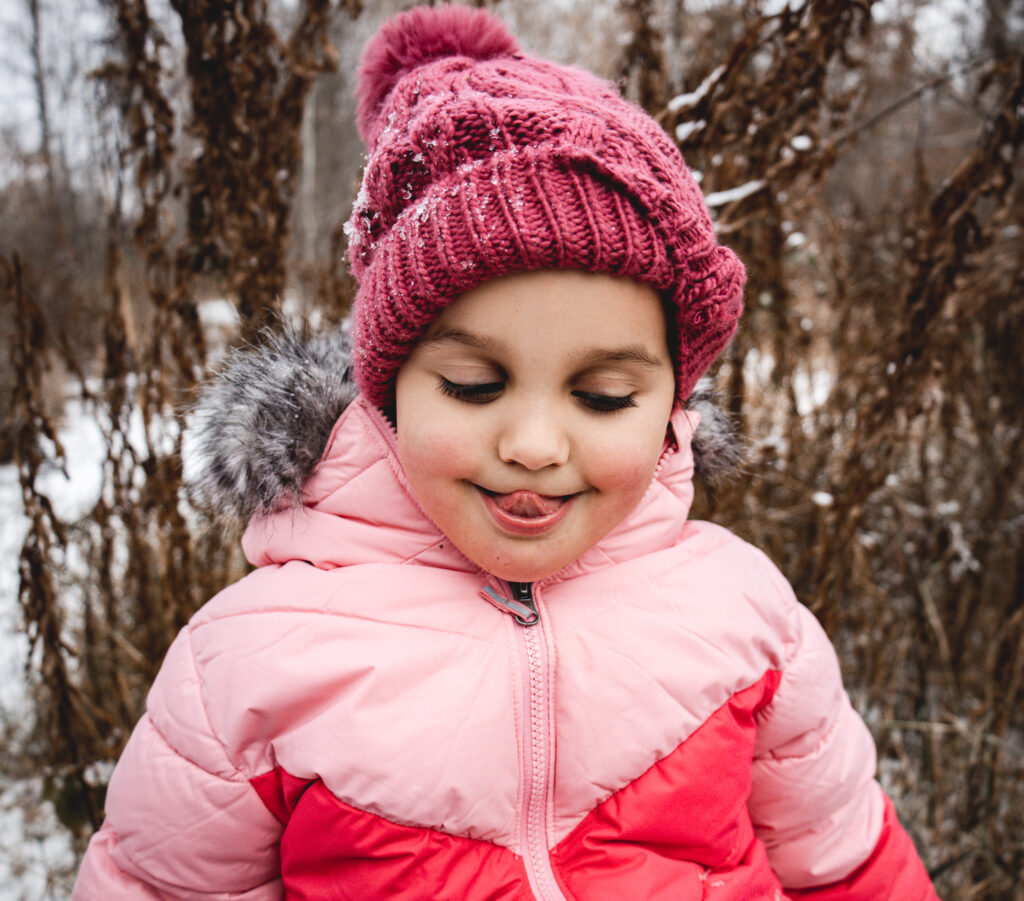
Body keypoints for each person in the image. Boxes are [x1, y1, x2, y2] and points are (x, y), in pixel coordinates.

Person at [73, 6, 939, 899]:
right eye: (474, 386)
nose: (533, 445)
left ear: (675, 401)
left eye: (603, 396)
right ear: (386, 386)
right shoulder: (248, 666)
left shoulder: (749, 618)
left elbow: (847, 862)